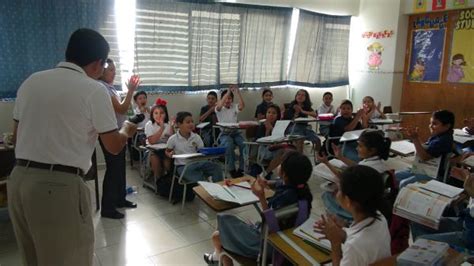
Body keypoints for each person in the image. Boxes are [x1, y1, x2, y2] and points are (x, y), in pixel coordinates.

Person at [9, 28, 136, 266]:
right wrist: (127, 129)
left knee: (33, 258)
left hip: (17, 181)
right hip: (57, 188)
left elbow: (16, 138)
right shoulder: (93, 89)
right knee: (70, 258)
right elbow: (113, 147)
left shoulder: (31, 81)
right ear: (98, 63)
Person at [203, 151, 313, 265]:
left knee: (218, 233)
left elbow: (271, 224)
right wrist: (267, 183)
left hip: (268, 245)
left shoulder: (285, 198)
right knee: (221, 231)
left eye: (281, 164)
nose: (278, 165)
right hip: (286, 241)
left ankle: (216, 258)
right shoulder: (302, 190)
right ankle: (216, 258)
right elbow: (280, 183)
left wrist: (261, 197)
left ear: (285, 174)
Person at [314, 165, 391, 266]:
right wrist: (339, 233)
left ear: (347, 201)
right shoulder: (379, 217)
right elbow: (361, 242)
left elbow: (357, 245)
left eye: (339, 189)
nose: (335, 192)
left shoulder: (353, 247)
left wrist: (335, 243)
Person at [317, 130, 391, 221]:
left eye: (360, 146)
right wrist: (340, 157)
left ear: (372, 150)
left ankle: (343, 219)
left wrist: (326, 163)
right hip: (371, 201)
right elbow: (357, 167)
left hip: (360, 207)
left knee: (327, 194)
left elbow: (342, 177)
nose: (356, 148)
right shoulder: (377, 162)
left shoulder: (368, 166)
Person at [99, 58, 141, 219]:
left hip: (120, 132)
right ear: (101, 71)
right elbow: (122, 107)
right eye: (110, 70)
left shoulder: (110, 88)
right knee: (113, 170)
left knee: (119, 169)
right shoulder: (102, 88)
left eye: (114, 69)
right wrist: (131, 90)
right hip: (110, 134)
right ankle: (107, 208)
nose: (114, 72)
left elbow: (124, 110)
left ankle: (120, 199)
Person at [411, 168, 474, 253]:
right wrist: (466, 188)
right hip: (464, 222)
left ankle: (428, 256)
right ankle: (427, 258)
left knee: (422, 243)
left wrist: (471, 192)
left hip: (470, 236)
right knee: (418, 219)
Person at [395, 110, 455, 188]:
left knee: (404, 184)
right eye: (431, 123)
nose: (430, 126)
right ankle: (395, 195)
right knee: (395, 175)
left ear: (447, 126)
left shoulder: (444, 140)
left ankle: (403, 198)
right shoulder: (438, 135)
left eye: (435, 124)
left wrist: (415, 139)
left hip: (433, 174)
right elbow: (425, 147)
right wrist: (416, 137)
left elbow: (424, 157)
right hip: (423, 168)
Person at [165, 112, 223, 183]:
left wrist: (208, 153)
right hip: (183, 166)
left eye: (192, 122)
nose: (191, 124)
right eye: (188, 122)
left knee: (216, 168)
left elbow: (202, 151)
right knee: (200, 180)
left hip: (198, 163)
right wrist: (169, 154)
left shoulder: (196, 137)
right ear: (179, 124)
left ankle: (219, 190)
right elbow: (167, 151)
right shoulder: (173, 139)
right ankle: (204, 190)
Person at [215, 85, 246, 178]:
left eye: (230, 98)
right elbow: (220, 105)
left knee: (243, 144)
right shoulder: (218, 108)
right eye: (226, 99)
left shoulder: (234, 107)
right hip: (225, 134)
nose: (228, 100)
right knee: (229, 145)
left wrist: (237, 92)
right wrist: (228, 91)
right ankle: (231, 169)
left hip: (235, 132)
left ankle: (241, 168)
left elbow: (242, 106)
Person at [145, 102, 174, 179]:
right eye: (156, 113)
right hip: (152, 151)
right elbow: (152, 141)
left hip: (166, 150)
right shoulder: (149, 124)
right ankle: (158, 182)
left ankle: (166, 181)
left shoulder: (168, 124)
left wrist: (171, 126)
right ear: (152, 114)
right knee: (155, 161)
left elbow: (172, 140)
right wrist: (162, 128)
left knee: (167, 165)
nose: (159, 116)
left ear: (166, 114)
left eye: (162, 113)